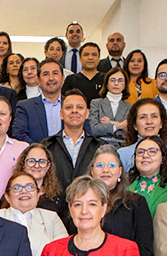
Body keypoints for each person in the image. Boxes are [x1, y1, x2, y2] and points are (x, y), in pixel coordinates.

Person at [42, 89, 104, 228]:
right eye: (69, 107)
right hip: (53, 218)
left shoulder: (99, 148)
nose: (74, 111)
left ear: (87, 113)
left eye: (80, 107)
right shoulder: (46, 146)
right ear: (61, 114)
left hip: (89, 218)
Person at [117, 98, 167, 173]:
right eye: (143, 117)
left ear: (161, 123)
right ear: (135, 125)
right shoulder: (122, 154)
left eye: (154, 116)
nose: (149, 121)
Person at [13, 58, 64, 144]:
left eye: (55, 73)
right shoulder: (25, 107)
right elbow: (19, 134)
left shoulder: (74, 105)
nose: (51, 78)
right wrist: (40, 151)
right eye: (46, 74)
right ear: (38, 80)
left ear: (63, 79)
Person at [88, 67, 131, 146]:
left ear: (125, 85)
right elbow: (93, 129)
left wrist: (110, 123)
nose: (116, 83)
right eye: (113, 80)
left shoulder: (130, 107)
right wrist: (119, 125)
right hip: (99, 145)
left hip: (123, 147)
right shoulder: (96, 103)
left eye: (120, 80)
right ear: (107, 84)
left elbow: (130, 132)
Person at [15, 144, 64, 212]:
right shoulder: (13, 193)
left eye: (42, 161)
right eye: (31, 161)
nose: (37, 166)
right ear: (23, 164)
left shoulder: (57, 196)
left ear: (48, 166)